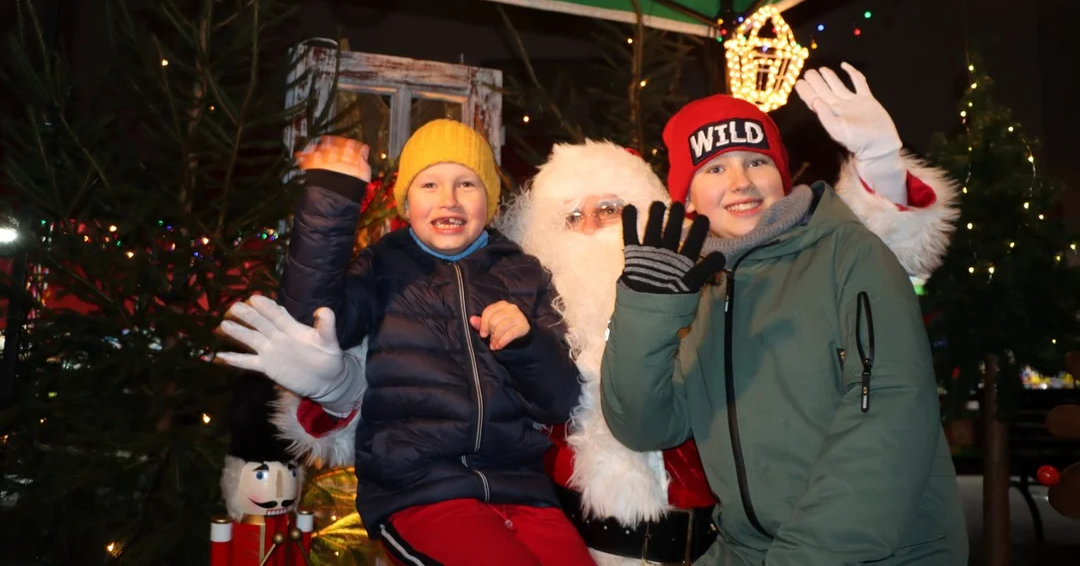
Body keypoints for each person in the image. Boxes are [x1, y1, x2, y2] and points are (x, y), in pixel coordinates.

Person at [273, 65, 962, 565]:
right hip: (585, 540)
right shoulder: (522, 296)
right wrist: (333, 386)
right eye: (575, 215)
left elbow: (882, 282)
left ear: (655, 209)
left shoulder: (716, 279)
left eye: (613, 208)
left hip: (732, 543)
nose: (597, 225)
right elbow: (411, 384)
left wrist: (883, 174)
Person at [599, 86, 968, 564]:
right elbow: (648, 427)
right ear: (687, 196)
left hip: (874, 552)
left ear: (782, 172)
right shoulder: (702, 290)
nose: (741, 182)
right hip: (746, 551)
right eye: (714, 169)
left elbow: (889, 417)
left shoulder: (851, 254)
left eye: (756, 161)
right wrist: (646, 311)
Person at [217, 119, 594, 566]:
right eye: (429, 183)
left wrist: (525, 343)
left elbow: (561, 400)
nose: (448, 199)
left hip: (523, 489)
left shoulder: (523, 272)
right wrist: (331, 200)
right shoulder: (382, 266)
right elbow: (313, 320)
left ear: (489, 199)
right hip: (419, 490)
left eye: (466, 183)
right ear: (406, 200)